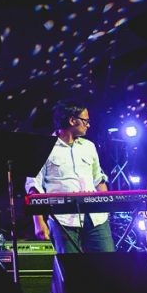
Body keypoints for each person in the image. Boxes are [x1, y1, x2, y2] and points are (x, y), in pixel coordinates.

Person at [25, 101, 115, 253]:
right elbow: (34, 187)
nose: (88, 125)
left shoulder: (89, 146)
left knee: (108, 266)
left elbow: (98, 179)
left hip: (96, 219)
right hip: (63, 220)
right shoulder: (44, 147)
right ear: (72, 120)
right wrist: (38, 222)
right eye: (85, 120)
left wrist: (107, 208)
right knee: (71, 270)